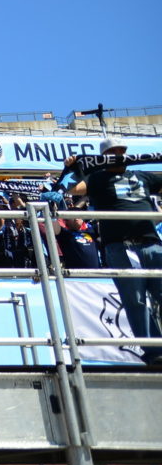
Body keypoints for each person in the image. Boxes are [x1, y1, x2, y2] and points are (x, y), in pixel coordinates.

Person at [66, 137, 162, 364]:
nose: (119, 154)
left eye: (122, 150)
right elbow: (72, 189)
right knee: (135, 300)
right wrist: (73, 168)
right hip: (119, 246)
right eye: (113, 151)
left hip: (150, 242)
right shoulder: (97, 178)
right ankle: (154, 352)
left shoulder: (143, 176)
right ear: (104, 156)